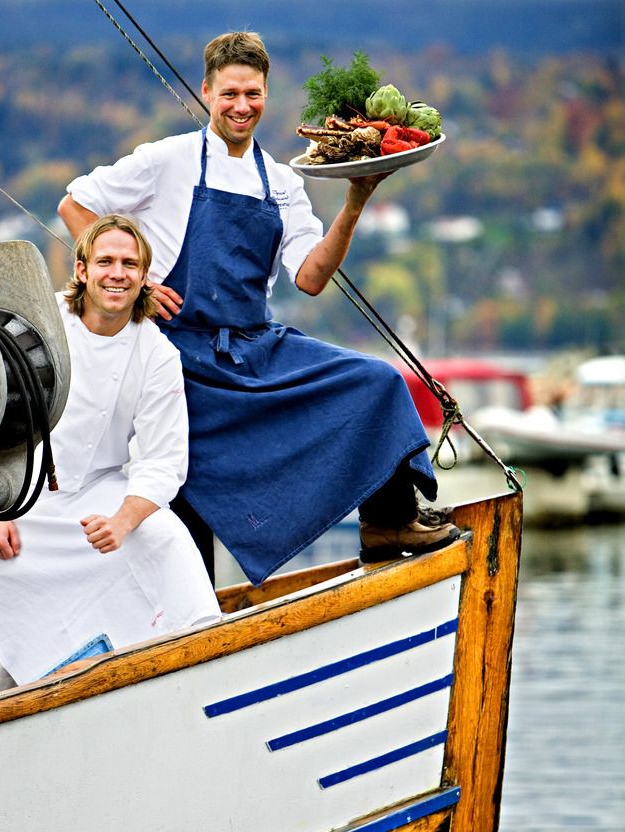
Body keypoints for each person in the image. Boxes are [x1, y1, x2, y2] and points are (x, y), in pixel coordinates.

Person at [58, 31, 458, 587]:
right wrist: (142, 285)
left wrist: (356, 201)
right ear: (205, 92)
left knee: (378, 381)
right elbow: (75, 204)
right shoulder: (167, 159)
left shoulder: (285, 182)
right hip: (180, 357)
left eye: (252, 94)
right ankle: (188, 611)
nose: (241, 106)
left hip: (254, 346)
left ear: (267, 93)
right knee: (181, 483)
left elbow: (312, 277)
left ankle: (388, 524)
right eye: (228, 94)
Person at [0, 214, 221, 692]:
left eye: (130, 264)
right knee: (4, 592)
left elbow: (163, 459)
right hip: (19, 497)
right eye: (105, 261)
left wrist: (123, 521)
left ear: (144, 277)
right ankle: (2, 697)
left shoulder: (157, 353)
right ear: (82, 270)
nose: (117, 273)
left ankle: (203, 659)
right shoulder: (38, 328)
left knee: (166, 536)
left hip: (99, 493)